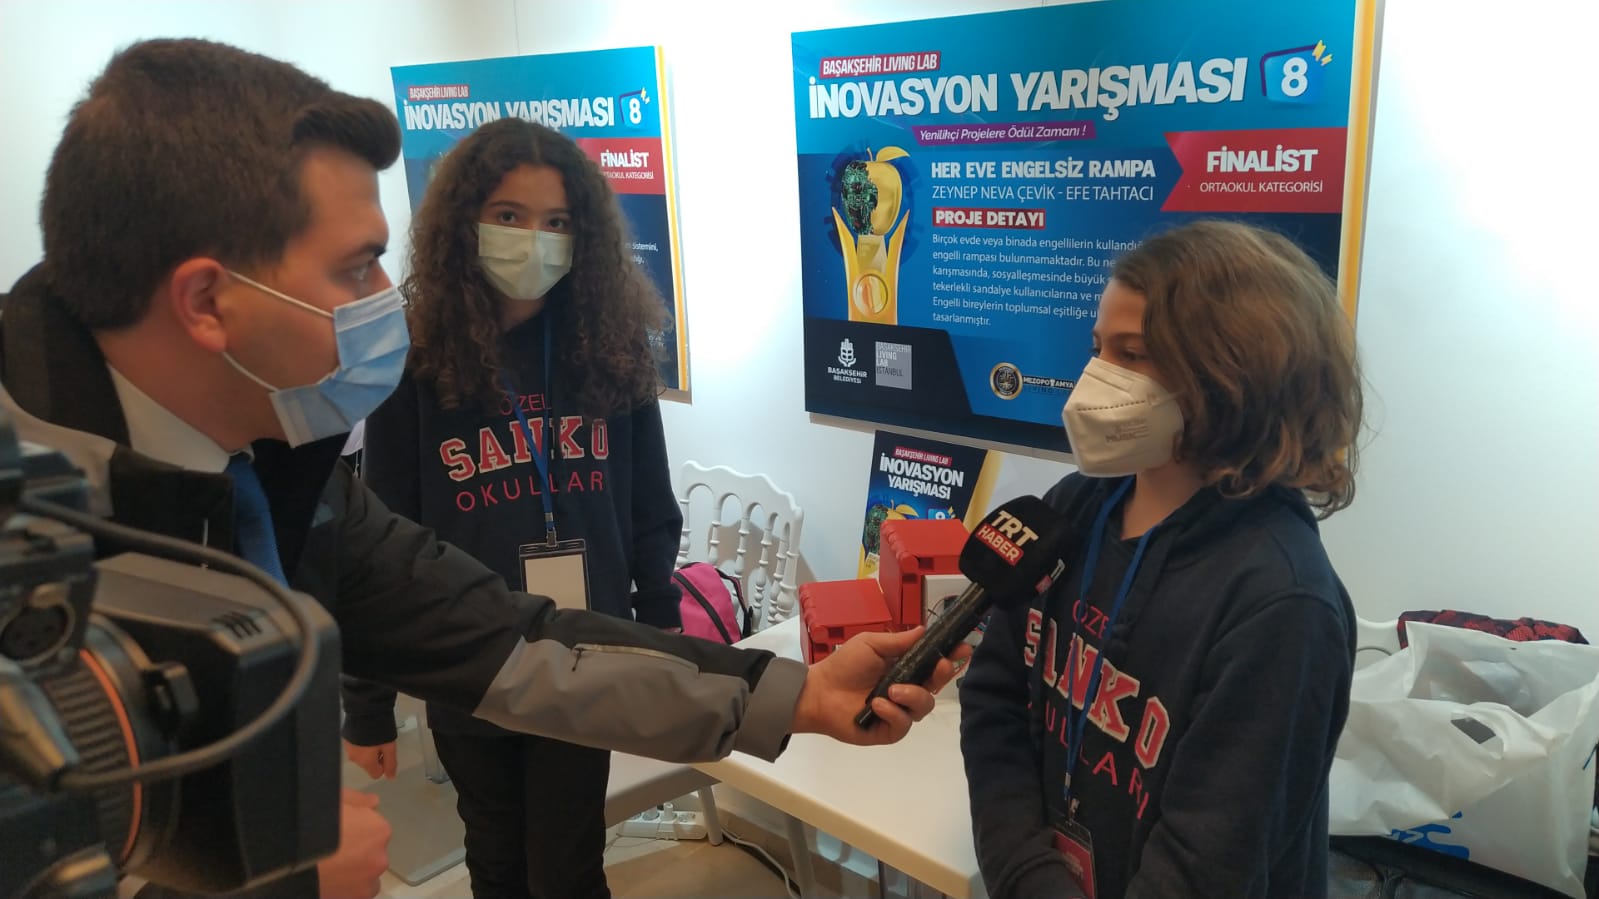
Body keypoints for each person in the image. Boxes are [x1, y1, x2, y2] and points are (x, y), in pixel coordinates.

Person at [0, 38, 962, 898]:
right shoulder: (33, 533)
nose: (385, 297)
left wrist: (795, 692)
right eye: (357, 266)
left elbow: (513, 642)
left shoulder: (286, 476)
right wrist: (265, 874)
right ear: (209, 302)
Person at [959, 220, 1362, 899]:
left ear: (1233, 371)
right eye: (1098, 349)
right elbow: (994, 695)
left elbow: (1212, 856)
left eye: (1133, 353)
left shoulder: (1282, 601)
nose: (1096, 378)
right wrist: (1028, 873)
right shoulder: (1074, 507)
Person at [339, 118, 685, 899]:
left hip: (583, 649)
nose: (534, 239)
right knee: (494, 856)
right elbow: (377, 542)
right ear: (464, 223)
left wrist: (660, 616)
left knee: (567, 864)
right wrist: (367, 703)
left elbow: (647, 498)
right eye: (509, 215)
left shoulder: (611, 348)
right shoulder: (415, 358)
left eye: (556, 221)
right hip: (469, 655)